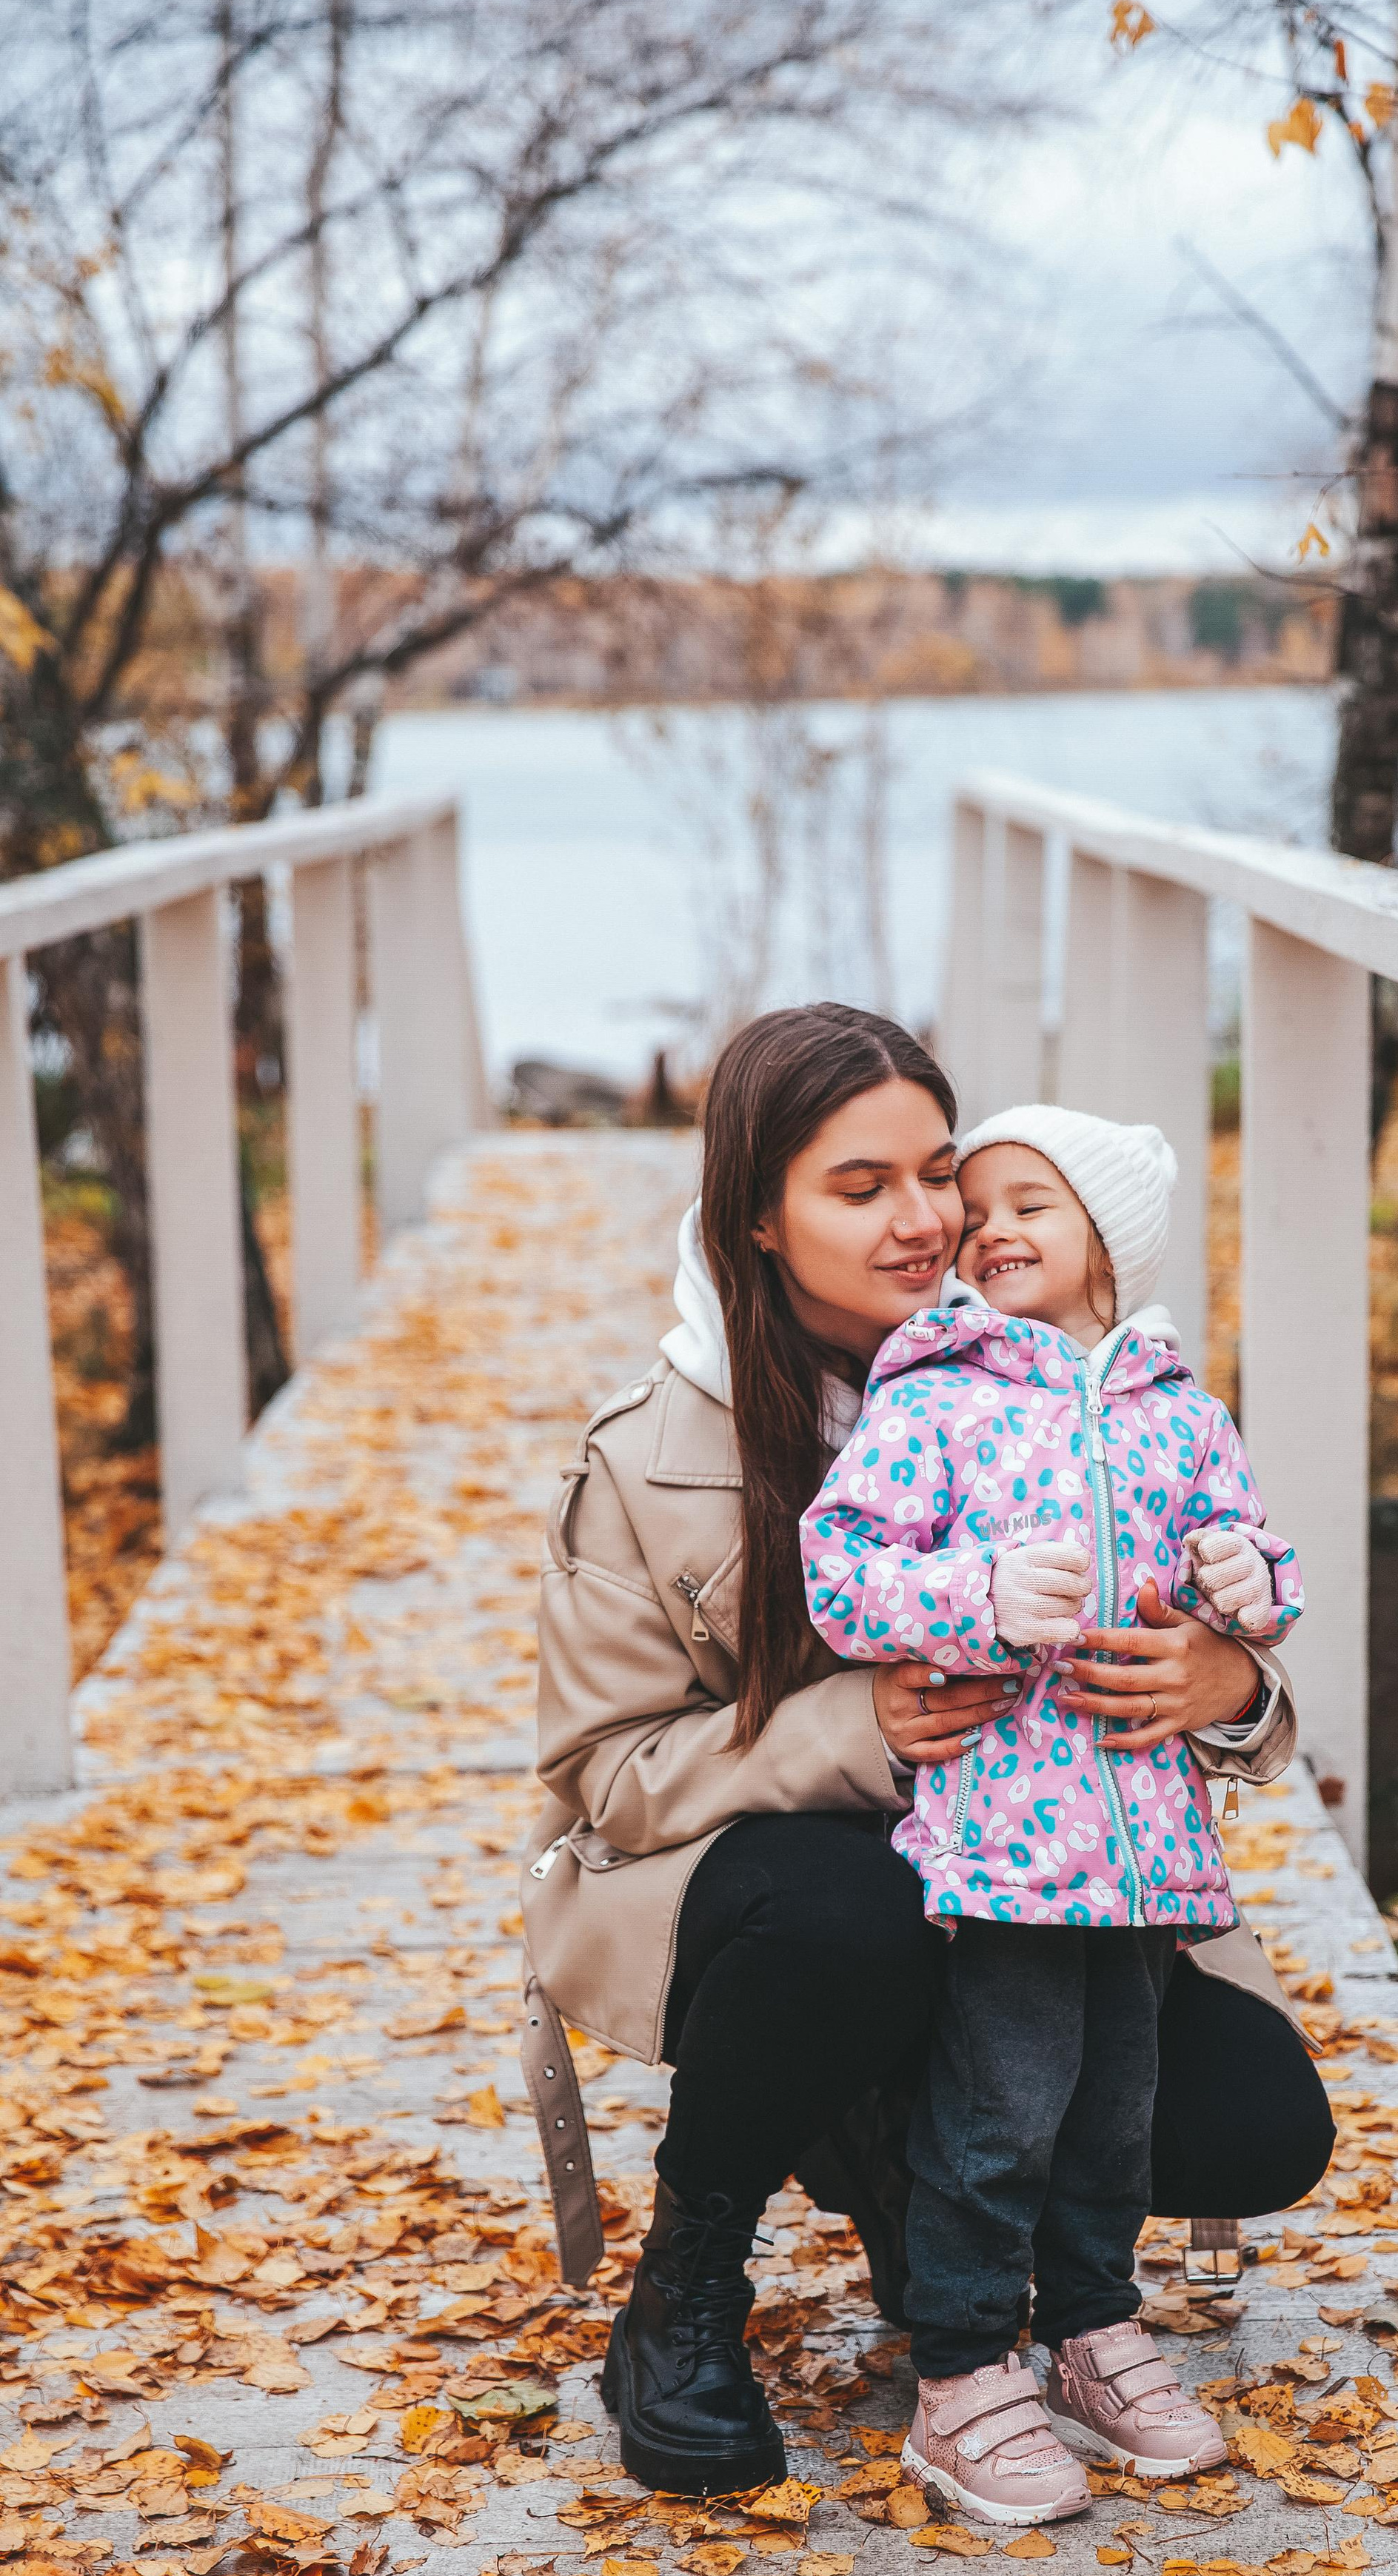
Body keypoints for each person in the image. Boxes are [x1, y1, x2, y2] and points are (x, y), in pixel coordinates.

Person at [524, 1004, 1334, 2498]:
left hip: (1045, 1861)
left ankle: (950, 2200)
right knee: (855, 1923)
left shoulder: (1085, 1393)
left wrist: (1225, 1680)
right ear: (755, 1216)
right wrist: (858, 1726)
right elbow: (605, 1776)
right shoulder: (654, 1450)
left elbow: (1232, 1640)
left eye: (941, 1174)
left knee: (1255, 2125)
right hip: (779, 1890)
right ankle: (687, 2284)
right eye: (858, 1188)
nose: (923, 1222)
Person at [800, 1106, 1302, 2524]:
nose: (991, 1225)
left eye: (1036, 1205)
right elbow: (840, 1570)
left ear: (1109, 1244)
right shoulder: (936, 1398)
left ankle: (1091, 2329)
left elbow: (1251, 1561)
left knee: (1113, 2117)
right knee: (1002, 2108)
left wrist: (1247, 1588)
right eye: (982, 1201)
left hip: (1149, 1843)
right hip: (1012, 1841)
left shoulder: (1184, 1413)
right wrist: (973, 1601)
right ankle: (961, 2371)